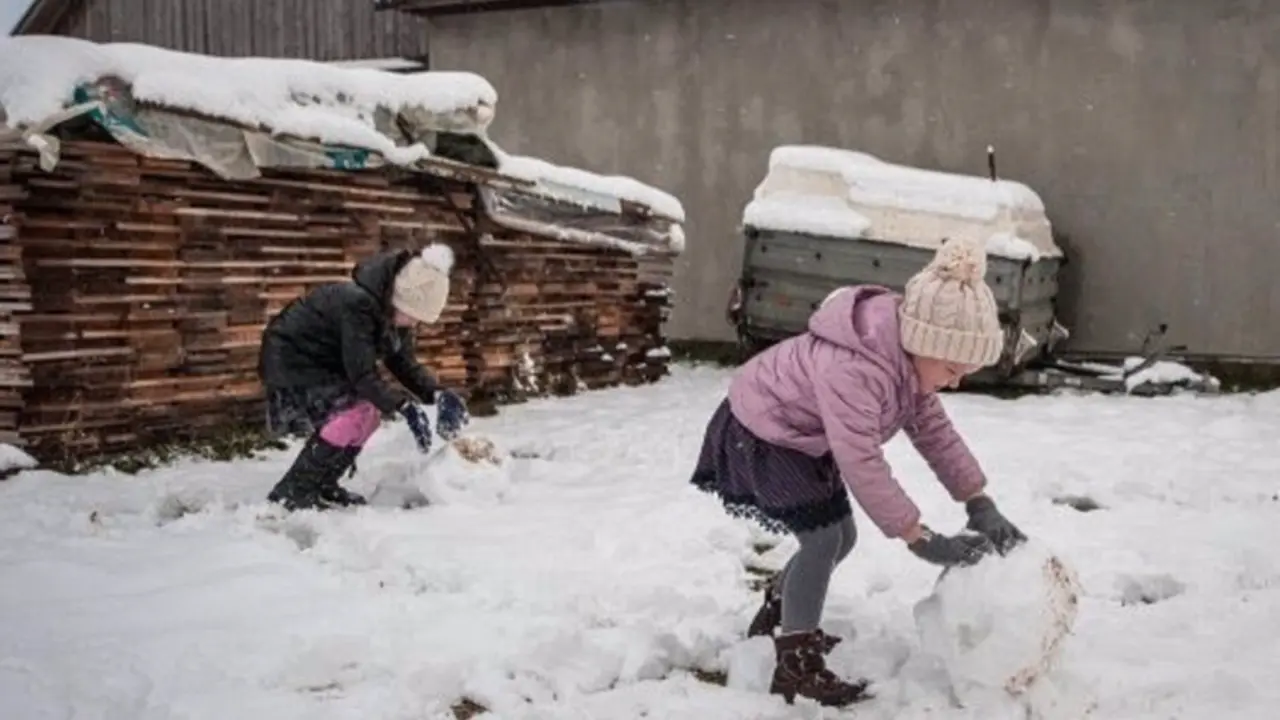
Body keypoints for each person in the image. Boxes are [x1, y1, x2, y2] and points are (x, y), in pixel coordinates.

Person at [691, 237, 1027, 707]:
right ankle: (796, 666)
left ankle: (781, 610)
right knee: (824, 539)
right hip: (765, 431)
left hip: (800, 435)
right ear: (924, 343)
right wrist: (919, 537)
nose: (957, 381)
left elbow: (937, 435)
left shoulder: (907, 364)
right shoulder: (857, 369)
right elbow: (861, 459)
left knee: (841, 539)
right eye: (953, 368)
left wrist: (979, 502)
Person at [257, 244, 471, 511]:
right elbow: (362, 374)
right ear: (400, 298)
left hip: (328, 363)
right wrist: (403, 406)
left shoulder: (392, 315)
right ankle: (293, 491)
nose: (415, 324)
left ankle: (324, 484)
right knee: (353, 413)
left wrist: (437, 394)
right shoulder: (357, 305)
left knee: (370, 415)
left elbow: (402, 363)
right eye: (414, 316)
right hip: (293, 361)